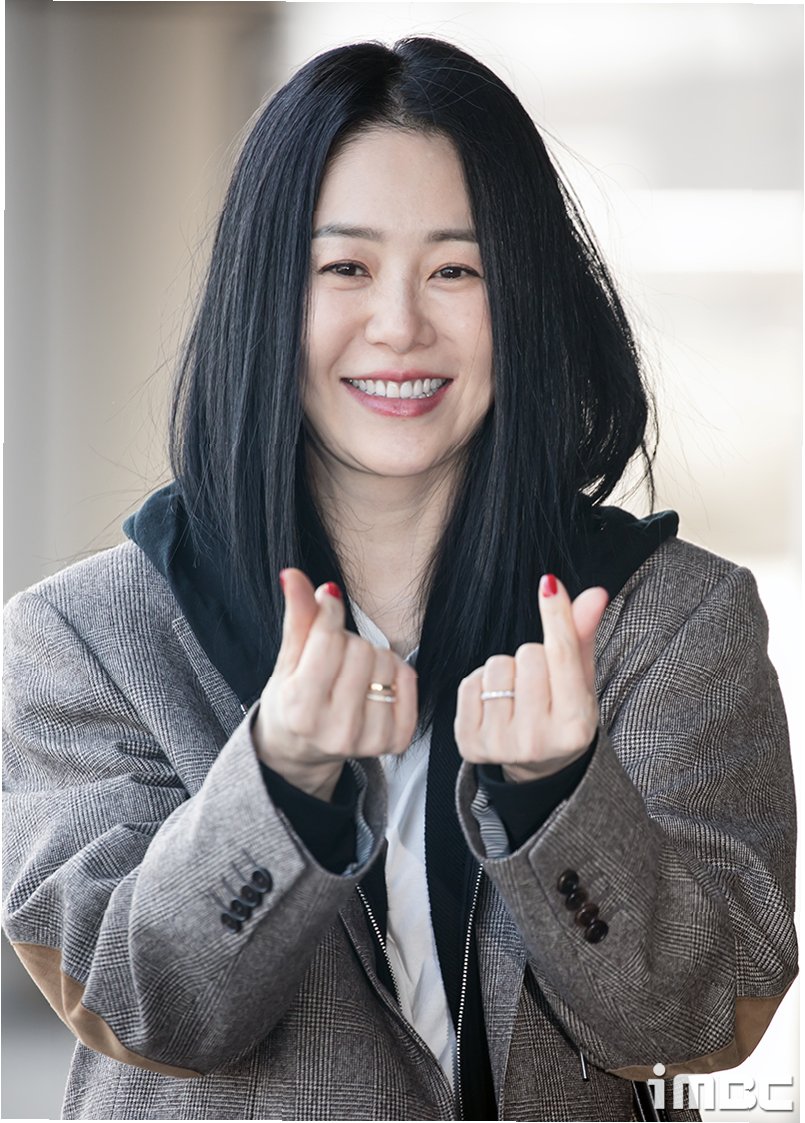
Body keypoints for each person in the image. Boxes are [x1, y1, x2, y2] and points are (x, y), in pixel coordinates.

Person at [2, 36, 797, 1123]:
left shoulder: (670, 620)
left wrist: (562, 801)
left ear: (524, 297)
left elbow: (705, 1017)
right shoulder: (84, 640)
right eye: (345, 268)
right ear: (265, 294)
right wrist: (279, 782)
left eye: (455, 270)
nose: (399, 326)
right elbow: (147, 1008)